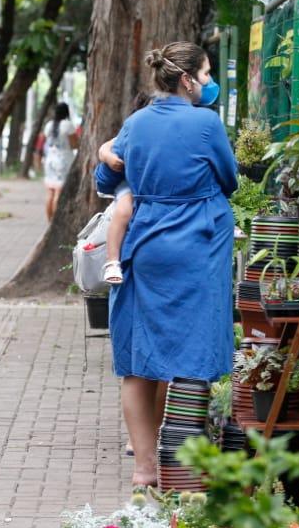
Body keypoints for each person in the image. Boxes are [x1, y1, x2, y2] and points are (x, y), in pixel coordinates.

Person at [94, 41, 237, 490]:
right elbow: (229, 178)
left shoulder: (135, 124)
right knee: (194, 350)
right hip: (198, 245)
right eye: (207, 73)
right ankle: (187, 466)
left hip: (146, 244)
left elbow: (106, 179)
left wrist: (106, 153)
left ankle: (144, 468)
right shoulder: (205, 124)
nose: (210, 82)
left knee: (138, 359)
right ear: (187, 79)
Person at [95, 93, 153, 284]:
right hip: (128, 182)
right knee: (124, 209)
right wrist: (110, 158)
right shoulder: (132, 130)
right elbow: (105, 148)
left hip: (149, 183)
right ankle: (112, 261)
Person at [42, 102, 78, 220]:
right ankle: (55, 221)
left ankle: (49, 222)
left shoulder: (49, 125)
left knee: (50, 193)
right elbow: (74, 145)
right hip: (63, 160)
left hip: (50, 160)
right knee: (58, 193)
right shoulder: (67, 125)